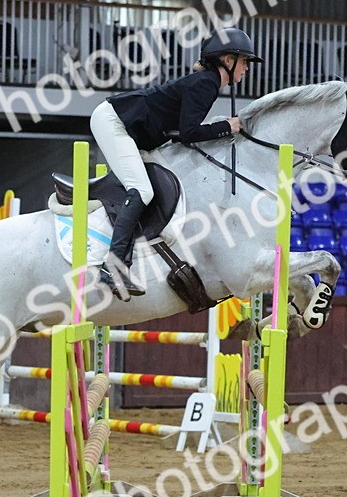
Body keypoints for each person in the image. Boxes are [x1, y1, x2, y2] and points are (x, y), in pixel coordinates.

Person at [88, 27, 262, 300]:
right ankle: (112, 267)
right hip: (115, 122)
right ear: (227, 61)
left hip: (130, 128)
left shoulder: (206, 81)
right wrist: (226, 127)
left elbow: (184, 134)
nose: (246, 68)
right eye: (244, 62)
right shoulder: (206, 83)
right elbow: (189, 133)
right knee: (143, 191)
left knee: (162, 182)